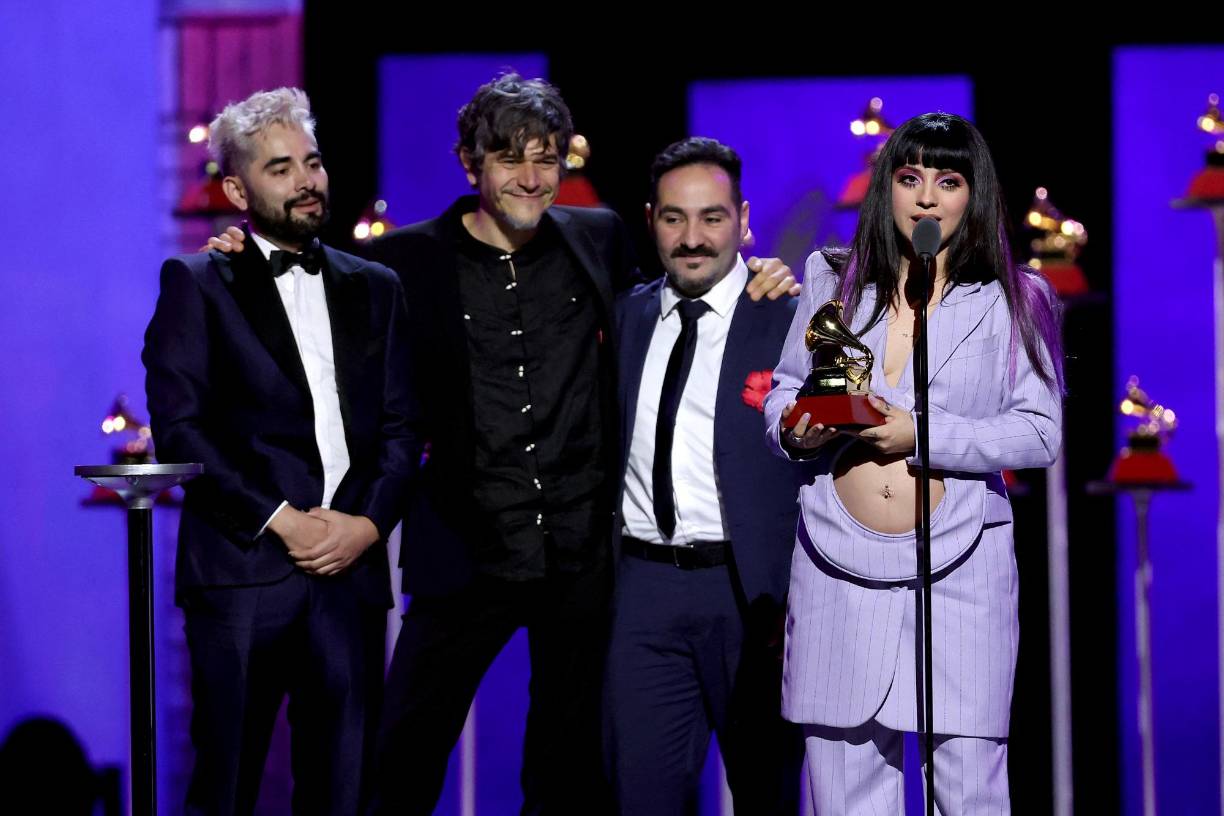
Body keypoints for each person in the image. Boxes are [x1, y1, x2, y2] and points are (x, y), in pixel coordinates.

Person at [764, 112, 1063, 813]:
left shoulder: (1015, 299)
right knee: (842, 788)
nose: (926, 198)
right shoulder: (833, 281)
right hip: (839, 569)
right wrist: (800, 429)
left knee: (966, 791)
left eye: (947, 181)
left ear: (972, 196)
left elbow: (1040, 434)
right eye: (910, 178)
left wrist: (919, 434)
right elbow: (785, 392)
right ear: (887, 189)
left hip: (961, 572)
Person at [143, 87, 420, 815]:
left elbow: (401, 430)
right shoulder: (198, 284)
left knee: (347, 790)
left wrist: (365, 527)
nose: (306, 181)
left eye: (313, 162)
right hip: (243, 575)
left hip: (351, 574)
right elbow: (183, 432)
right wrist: (285, 521)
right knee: (227, 785)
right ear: (236, 187)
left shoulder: (377, 287)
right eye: (280, 168)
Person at [605, 137, 811, 815]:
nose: (692, 238)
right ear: (650, 219)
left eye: (712, 218)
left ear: (743, 220)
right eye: (673, 218)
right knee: (642, 797)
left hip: (750, 596)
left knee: (766, 793)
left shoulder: (789, 318)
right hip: (642, 590)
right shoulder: (628, 314)